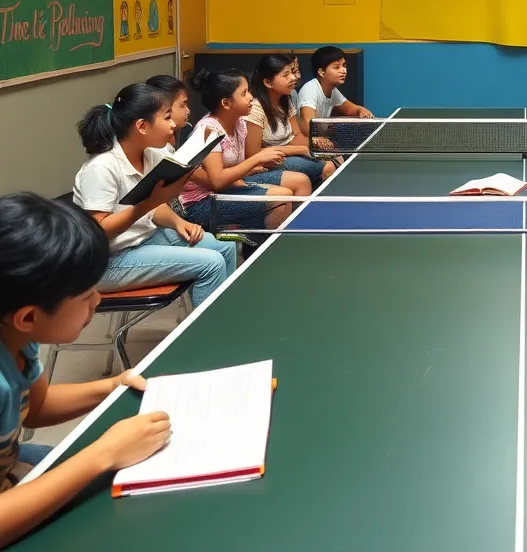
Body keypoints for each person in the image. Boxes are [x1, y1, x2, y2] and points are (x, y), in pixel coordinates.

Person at [0, 193, 170, 544]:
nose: (99, 300)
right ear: (28, 316)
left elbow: (37, 407)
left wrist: (111, 387)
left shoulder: (16, 336)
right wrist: (102, 454)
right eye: (86, 296)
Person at [73, 84, 236, 307]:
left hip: (146, 239)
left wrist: (178, 222)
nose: (172, 125)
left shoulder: (150, 155)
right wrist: (150, 202)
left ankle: (223, 315)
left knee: (225, 247)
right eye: (167, 117)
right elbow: (99, 230)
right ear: (141, 126)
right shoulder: (101, 168)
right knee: (211, 263)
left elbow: (155, 207)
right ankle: (210, 336)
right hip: (108, 261)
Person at [177, 69, 307, 234]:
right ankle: (260, 249)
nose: (251, 97)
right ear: (226, 103)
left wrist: (255, 166)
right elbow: (216, 181)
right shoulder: (208, 130)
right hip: (201, 203)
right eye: (244, 93)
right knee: (281, 198)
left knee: (288, 192)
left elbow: (233, 169)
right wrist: (257, 159)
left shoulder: (239, 123)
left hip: (225, 189)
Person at [246, 53, 336, 186]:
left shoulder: (285, 101)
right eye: (286, 75)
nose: (293, 78)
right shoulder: (255, 109)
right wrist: (301, 150)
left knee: (333, 158)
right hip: (267, 162)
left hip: (285, 154)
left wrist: (314, 143)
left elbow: (297, 135)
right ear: (268, 82)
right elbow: (253, 154)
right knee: (326, 167)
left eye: (292, 72)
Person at [296, 46, 373, 138]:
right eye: (336, 67)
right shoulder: (310, 89)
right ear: (321, 72)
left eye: (344, 66)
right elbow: (307, 124)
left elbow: (350, 109)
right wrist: (321, 141)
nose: (343, 71)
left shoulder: (333, 91)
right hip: (303, 142)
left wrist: (361, 110)